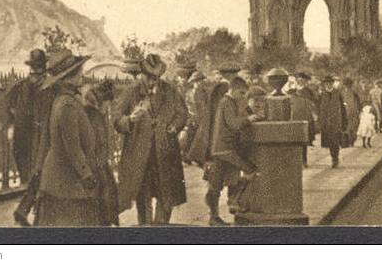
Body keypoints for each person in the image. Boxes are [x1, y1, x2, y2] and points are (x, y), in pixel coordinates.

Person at [113, 53, 189, 225]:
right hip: (141, 155)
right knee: (143, 195)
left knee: (166, 195)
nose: (153, 81)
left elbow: (182, 113)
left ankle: (160, 229)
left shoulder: (169, 90)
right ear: (142, 74)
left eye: (156, 77)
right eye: (149, 77)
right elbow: (116, 119)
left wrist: (175, 126)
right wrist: (130, 120)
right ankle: (146, 232)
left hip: (165, 152)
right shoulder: (130, 92)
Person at [35, 50, 102, 226]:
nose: (82, 74)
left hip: (64, 180)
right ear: (70, 77)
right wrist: (87, 175)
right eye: (79, 71)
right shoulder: (67, 105)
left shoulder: (65, 101)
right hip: (65, 183)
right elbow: (72, 147)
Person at [0, 48, 50, 226]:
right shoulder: (46, 86)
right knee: (39, 174)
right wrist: (11, 124)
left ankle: (26, 211)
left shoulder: (21, 85)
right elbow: (2, 107)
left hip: (24, 138)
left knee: (36, 176)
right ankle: (30, 212)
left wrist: (10, 125)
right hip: (34, 139)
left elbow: (1, 107)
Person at [207, 76, 257, 226]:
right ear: (234, 90)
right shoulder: (226, 102)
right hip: (225, 149)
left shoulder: (230, 101)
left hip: (222, 149)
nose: (243, 96)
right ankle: (233, 201)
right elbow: (234, 124)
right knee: (250, 169)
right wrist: (250, 119)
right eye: (241, 93)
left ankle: (216, 216)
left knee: (216, 184)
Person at [83, 79, 119, 226]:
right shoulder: (93, 114)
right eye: (108, 104)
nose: (108, 108)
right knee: (103, 198)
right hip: (95, 164)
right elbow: (96, 142)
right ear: (103, 101)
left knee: (107, 196)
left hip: (99, 162)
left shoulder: (96, 113)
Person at [317, 76, 348, 168]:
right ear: (324, 84)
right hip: (326, 122)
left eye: (330, 83)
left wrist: (344, 120)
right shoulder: (322, 94)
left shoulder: (338, 93)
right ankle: (333, 157)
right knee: (329, 141)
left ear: (332, 83)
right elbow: (319, 108)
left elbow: (343, 108)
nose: (328, 84)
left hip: (336, 121)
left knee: (336, 141)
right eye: (326, 83)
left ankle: (335, 158)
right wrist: (320, 121)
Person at [287, 86, 316, 167]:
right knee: (303, 145)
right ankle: (304, 161)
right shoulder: (305, 101)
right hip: (303, 126)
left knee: (293, 145)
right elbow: (311, 113)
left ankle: (295, 162)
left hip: (292, 126)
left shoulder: (288, 101)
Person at [340, 78, 362, 147]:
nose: (347, 86)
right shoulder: (342, 93)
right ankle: (349, 141)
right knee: (349, 127)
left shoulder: (352, 92)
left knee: (352, 126)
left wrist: (359, 109)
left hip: (352, 112)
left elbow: (358, 102)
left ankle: (351, 140)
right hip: (347, 112)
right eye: (346, 85)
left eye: (348, 85)